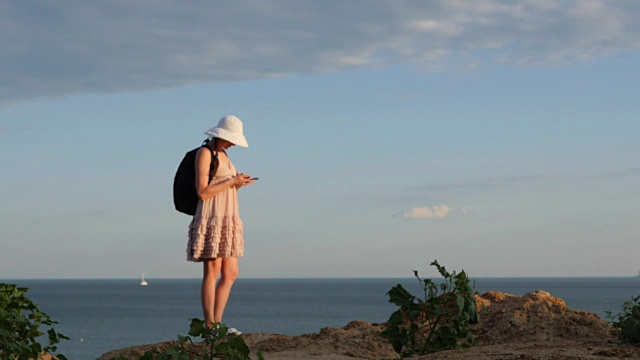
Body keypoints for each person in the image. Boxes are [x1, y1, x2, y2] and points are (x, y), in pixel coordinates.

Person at [186, 115, 255, 332]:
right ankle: (210, 327)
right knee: (213, 271)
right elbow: (203, 192)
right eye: (231, 138)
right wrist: (231, 181)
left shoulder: (224, 155)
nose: (234, 143)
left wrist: (238, 183)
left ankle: (216, 324)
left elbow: (224, 185)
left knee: (231, 273)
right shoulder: (205, 153)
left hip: (228, 217)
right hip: (212, 216)